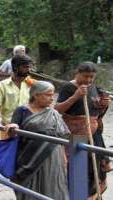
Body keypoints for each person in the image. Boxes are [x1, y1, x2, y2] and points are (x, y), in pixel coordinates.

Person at [5, 81, 70, 200]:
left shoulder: (53, 113)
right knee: (29, 190)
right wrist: (14, 127)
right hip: (29, 159)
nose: (52, 98)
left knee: (53, 187)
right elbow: (14, 126)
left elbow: (61, 138)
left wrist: (64, 159)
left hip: (53, 159)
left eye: (53, 95)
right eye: (48, 95)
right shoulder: (22, 110)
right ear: (36, 95)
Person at [54, 61, 111, 198]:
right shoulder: (68, 87)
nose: (89, 80)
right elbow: (57, 110)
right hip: (75, 135)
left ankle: (93, 195)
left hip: (94, 135)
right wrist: (76, 96)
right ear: (77, 73)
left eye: (92, 77)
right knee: (79, 169)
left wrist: (103, 105)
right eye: (85, 76)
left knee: (94, 170)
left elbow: (95, 112)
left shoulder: (93, 87)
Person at [0, 54, 34, 139]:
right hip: (8, 130)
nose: (28, 70)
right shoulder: (2, 86)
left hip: (28, 130)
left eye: (29, 67)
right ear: (15, 68)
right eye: (25, 67)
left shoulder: (31, 84)